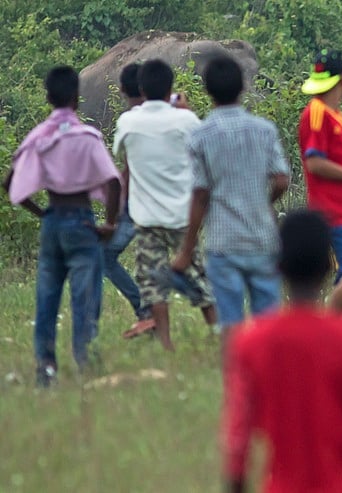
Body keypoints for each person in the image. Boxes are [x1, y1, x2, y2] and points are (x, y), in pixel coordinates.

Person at [223, 210, 342, 493]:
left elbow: (238, 433)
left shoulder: (250, 342)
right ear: (328, 266)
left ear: (278, 266)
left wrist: (236, 482)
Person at [3, 66, 121, 387]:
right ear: (76, 98)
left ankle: (46, 368)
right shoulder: (88, 137)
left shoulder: (39, 136)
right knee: (85, 297)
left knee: (47, 296)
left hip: (53, 219)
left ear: (48, 98)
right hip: (82, 220)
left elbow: (9, 182)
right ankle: (86, 364)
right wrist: (110, 222)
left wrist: (40, 212)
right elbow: (113, 182)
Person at [173, 56, 290, 352]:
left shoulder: (200, 136)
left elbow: (200, 194)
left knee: (232, 324)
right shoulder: (264, 130)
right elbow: (281, 180)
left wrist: (186, 249)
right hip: (263, 238)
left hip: (224, 243)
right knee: (269, 322)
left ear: (208, 91)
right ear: (242, 88)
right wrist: (263, 204)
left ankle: (238, 382)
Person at [114, 59, 216, 351]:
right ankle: (218, 333)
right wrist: (185, 112)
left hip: (147, 218)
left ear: (141, 89)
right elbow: (202, 144)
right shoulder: (185, 120)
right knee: (199, 279)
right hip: (183, 215)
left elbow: (121, 153)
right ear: (171, 87)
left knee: (152, 283)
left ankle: (167, 345)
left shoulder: (128, 122)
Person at [297, 50, 342, 316]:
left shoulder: (336, 114)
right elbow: (314, 162)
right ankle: (323, 327)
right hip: (333, 212)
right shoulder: (316, 113)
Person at [103, 63, 154, 339]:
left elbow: (128, 166)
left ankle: (145, 311)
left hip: (137, 202)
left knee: (105, 255)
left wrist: (119, 200)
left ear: (122, 89)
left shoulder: (128, 120)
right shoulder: (162, 115)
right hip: (163, 201)